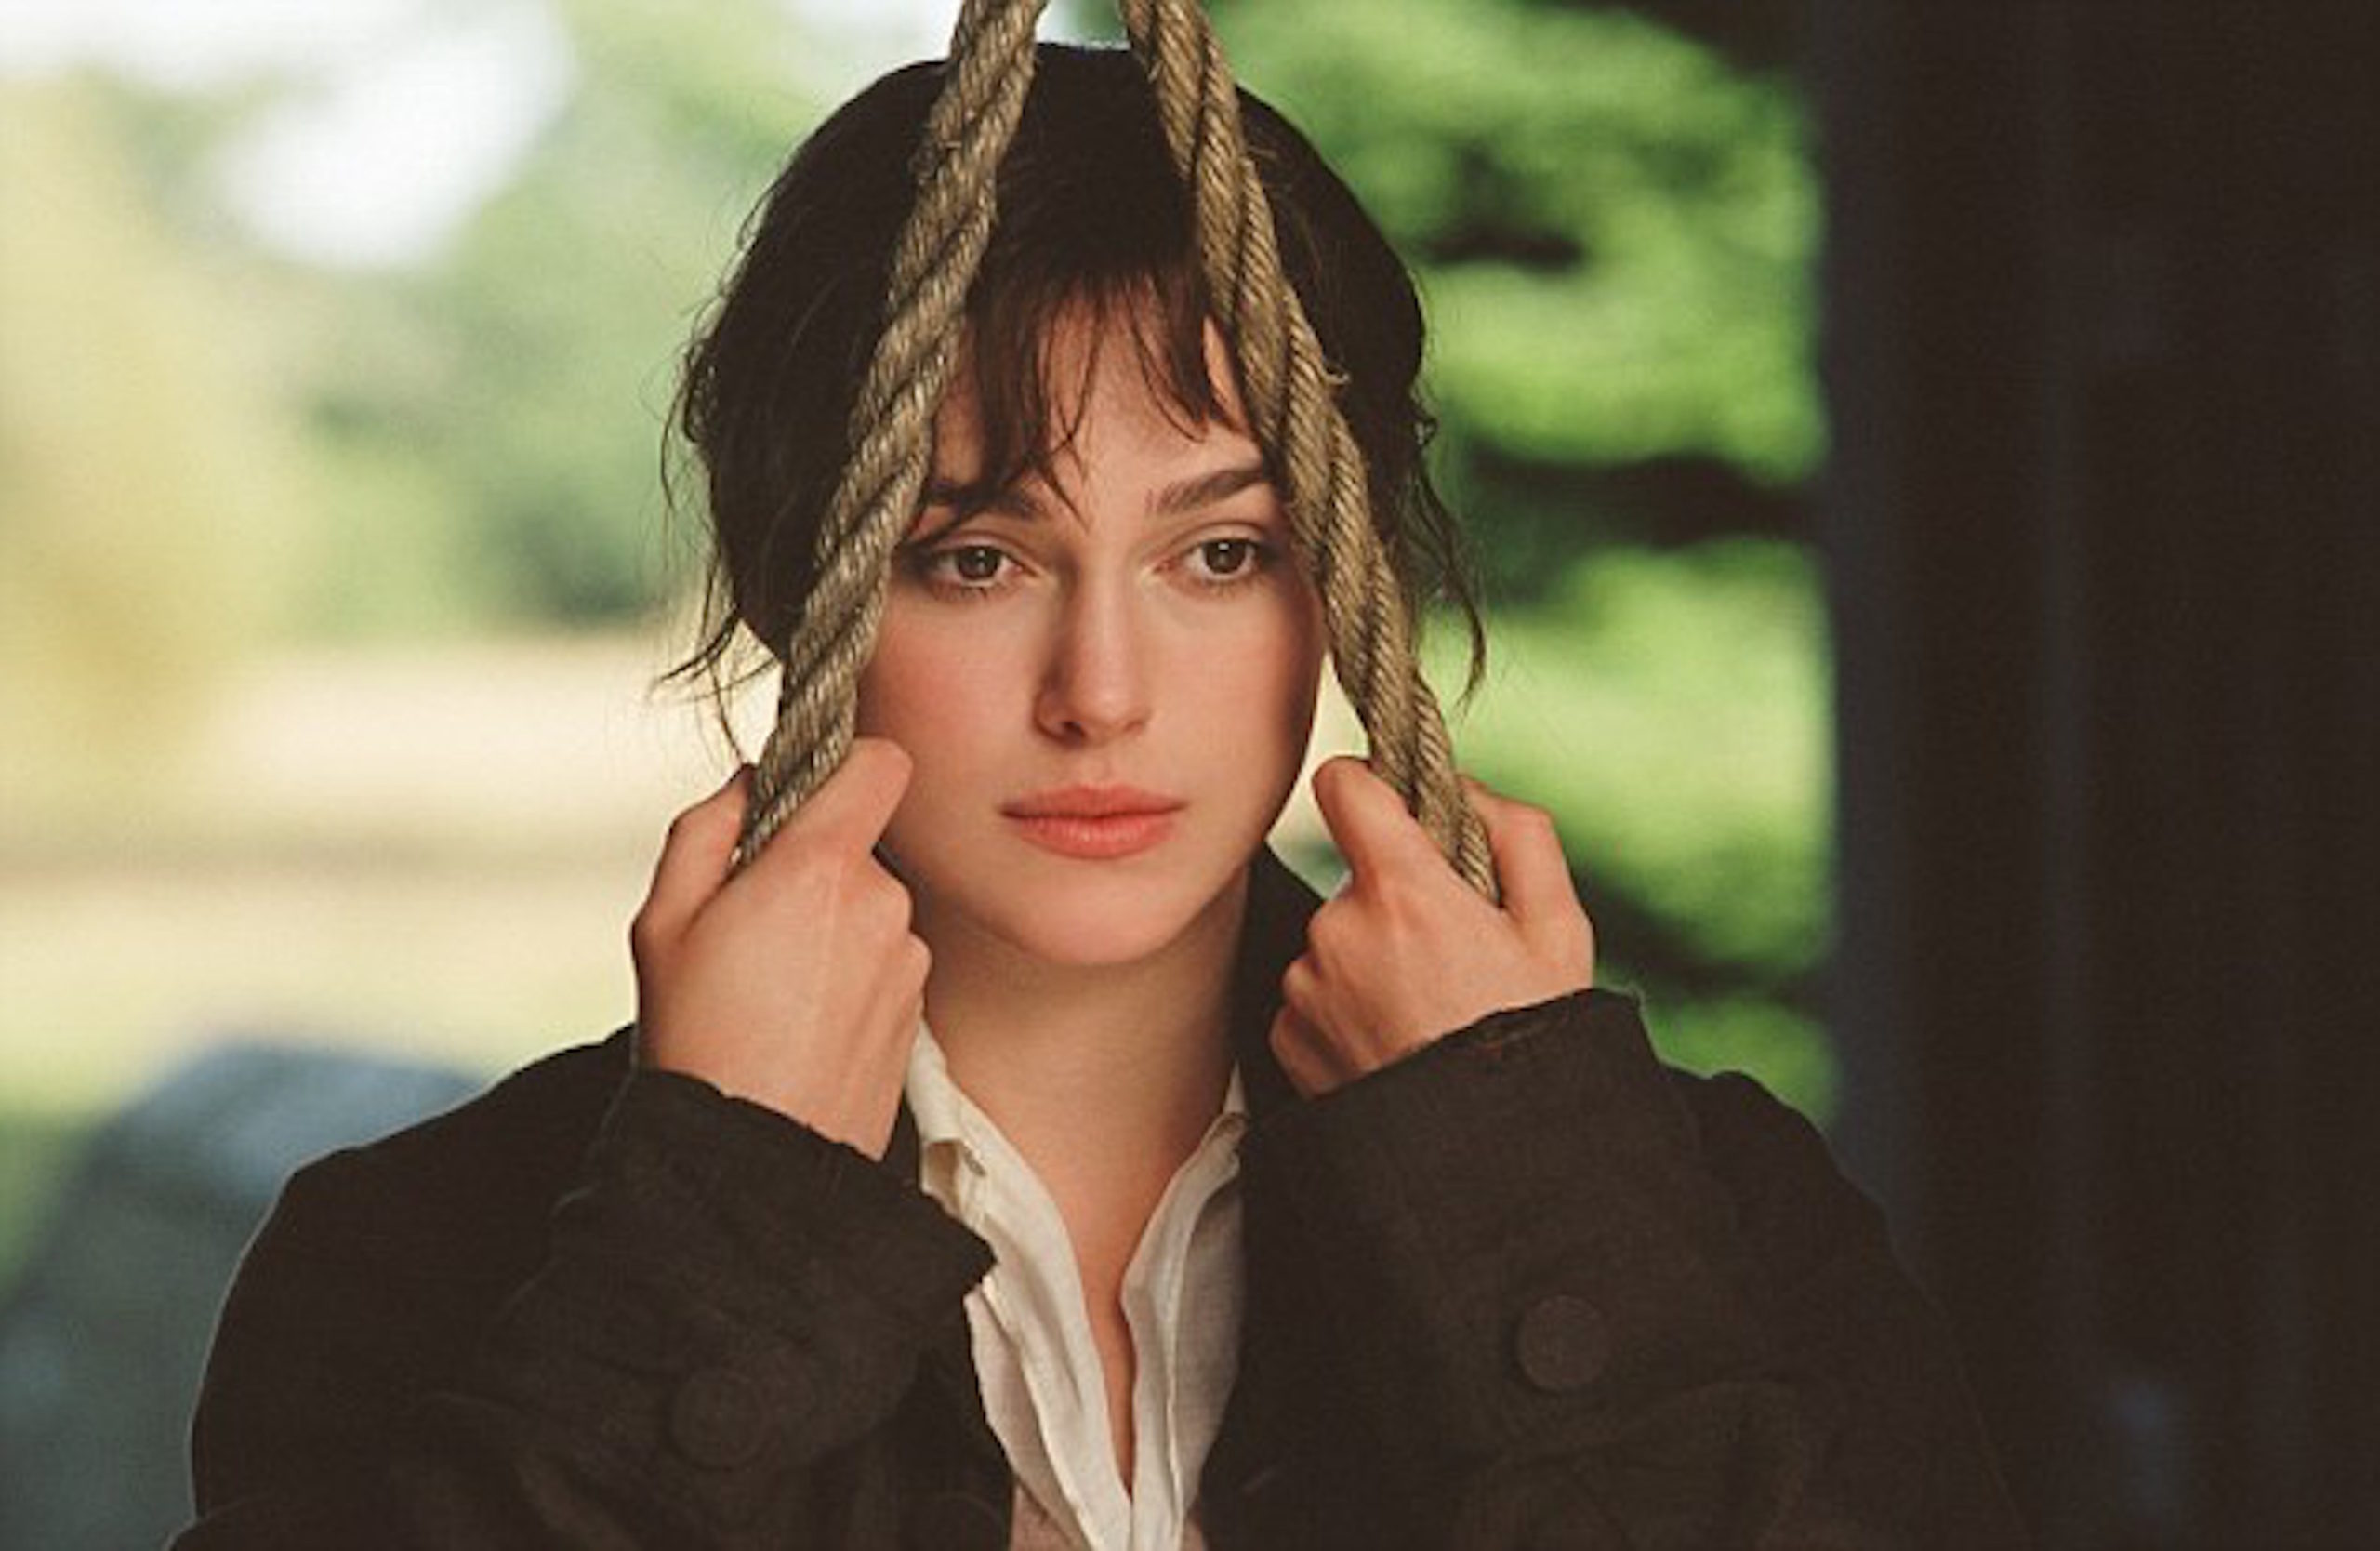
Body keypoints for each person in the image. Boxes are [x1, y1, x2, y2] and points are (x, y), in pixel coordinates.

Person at [177, 43, 2024, 1550]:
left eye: (1217, 554)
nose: (1101, 695)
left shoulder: (1707, 1224)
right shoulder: (419, 1262)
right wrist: (715, 1237)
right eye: (975, 560)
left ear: (1347, 583)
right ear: (790, 586)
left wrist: (1520, 1206)